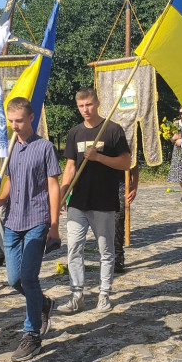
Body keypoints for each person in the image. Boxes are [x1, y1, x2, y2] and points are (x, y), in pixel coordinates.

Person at [0, 98, 62, 361]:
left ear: (31, 118)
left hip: (37, 220)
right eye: (11, 121)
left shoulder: (45, 148)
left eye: (19, 120)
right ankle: (42, 303)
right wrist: (0, 199)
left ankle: (32, 335)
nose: (14, 126)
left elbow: (53, 186)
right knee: (13, 279)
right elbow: (9, 181)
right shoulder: (9, 148)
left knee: (29, 278)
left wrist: (54, 225)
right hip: (12, 221)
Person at [58, 88, 131, 314]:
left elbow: (126, 163)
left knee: (105, 250)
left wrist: (99, 157)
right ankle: (77, 294)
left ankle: (104, 294)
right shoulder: (75, 133)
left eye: (88, 104)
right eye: (81, 106)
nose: (85, 110)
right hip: (78, 201)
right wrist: (63, 192)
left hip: (104, 200)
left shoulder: (112, 130)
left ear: (97, 103)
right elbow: (70, 166)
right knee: (74, 249)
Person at [166, 109, 182, 203]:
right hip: (177, 151)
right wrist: (174, 138)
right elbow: (170, 138)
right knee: (179, 174)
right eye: (181, 113)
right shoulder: (176, 123)